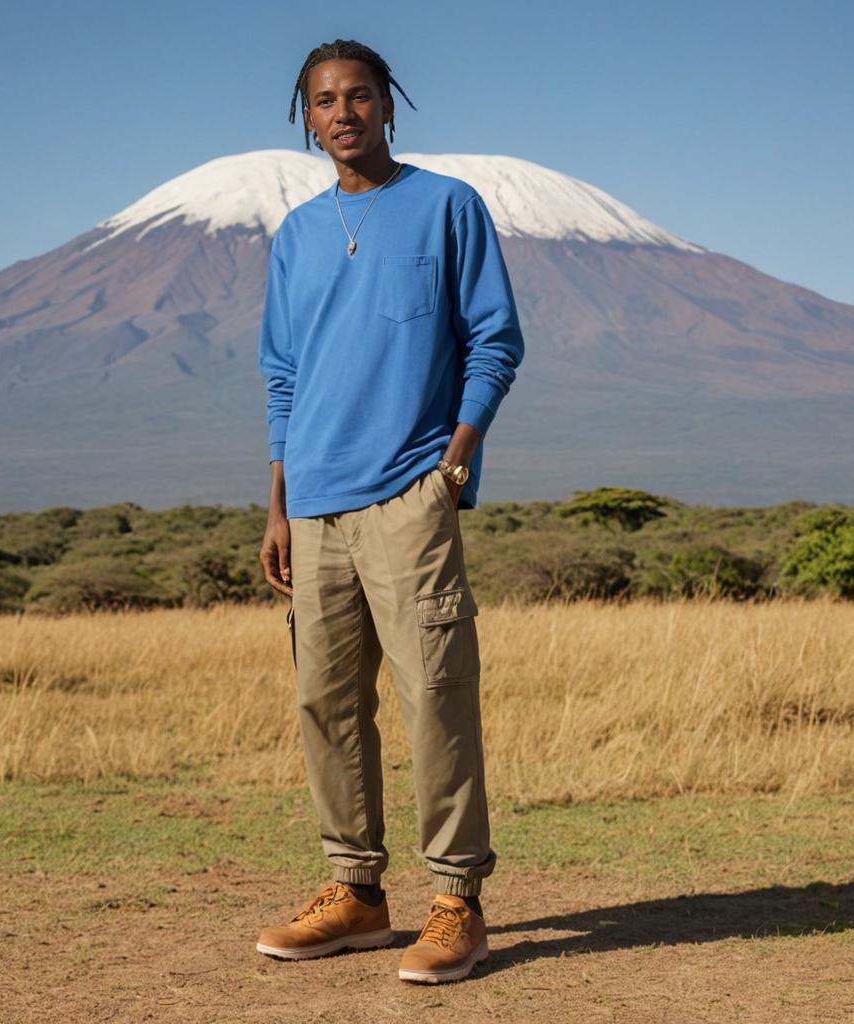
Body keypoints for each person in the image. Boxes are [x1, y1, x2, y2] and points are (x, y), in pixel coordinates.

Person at [255, 37, 525, 984]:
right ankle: (357, 894)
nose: (343, 113)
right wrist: (280, 506)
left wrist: (452, 469)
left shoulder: (448, 207)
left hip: (412, 494)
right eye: (325, 100)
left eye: (360, 96)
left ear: (388, 107)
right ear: (307, 118)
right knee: (325, 705)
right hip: (316, 508)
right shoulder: (295, 235)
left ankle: (457, 901)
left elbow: (494, 339)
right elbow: (283, 380)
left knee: (436, 699)